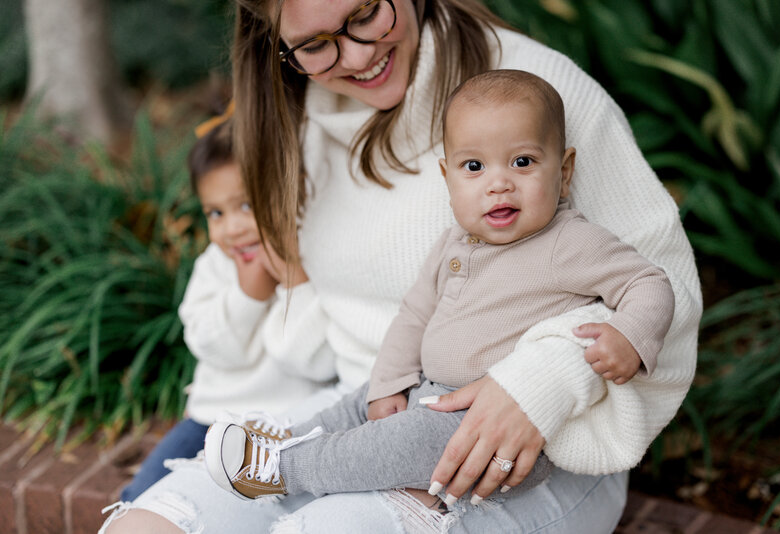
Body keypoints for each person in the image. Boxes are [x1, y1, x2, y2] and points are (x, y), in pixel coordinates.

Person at [101, 0, 701, 532]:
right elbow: (369, 304)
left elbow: (659, 279)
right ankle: (287, 465)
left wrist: (543, 382)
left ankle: (297, 469)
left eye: (365, 15)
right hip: (372, 403)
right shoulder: (292, 115)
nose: (357, 56)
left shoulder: (533, 91)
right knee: (147, 526)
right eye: (315, 44)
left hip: (535, 443)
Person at [201, 69, 676, 507]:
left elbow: (648, 281)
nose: (499, 184)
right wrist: (388, 385)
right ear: (447, 177)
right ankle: (285, 441)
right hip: (432, 391)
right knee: (358, 402)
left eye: (523, 161)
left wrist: (631, 334)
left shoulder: (569, 241)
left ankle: (286, 469)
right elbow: (414, 315)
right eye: (474, 167)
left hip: (492, 430)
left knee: (399, 443)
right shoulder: (454, 242)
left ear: (564, 171)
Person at [118, 119, 337, 502]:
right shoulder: (215, 265)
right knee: (140, 495)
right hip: (210, 418)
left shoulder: (310, 259)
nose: (232, 228)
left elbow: (318, 362)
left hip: (287, 424)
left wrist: (294, 283)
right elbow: (210, 344)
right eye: (215, 213)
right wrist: (247, 297)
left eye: (246, 206)